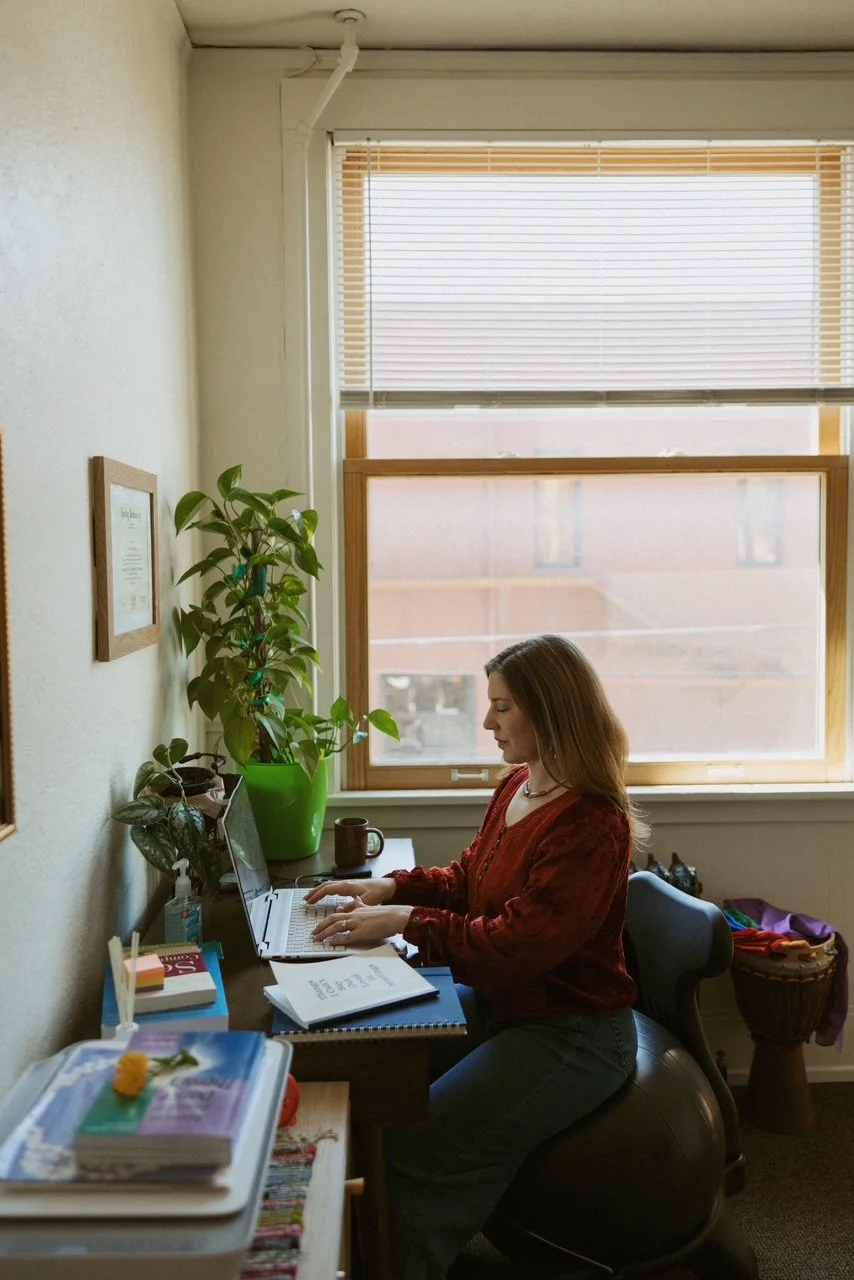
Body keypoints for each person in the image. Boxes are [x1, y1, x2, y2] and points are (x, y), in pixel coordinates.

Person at [306, 633, 649, 1280]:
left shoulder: (590, 825)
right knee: (380, 1064)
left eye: (502, 707)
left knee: (420, 1141)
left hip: (573, 1032)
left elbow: (513, 948)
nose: (487, 722)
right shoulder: (520, 785)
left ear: (549, 712)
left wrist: (407, 921)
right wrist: (388, 886)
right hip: (511, 1005)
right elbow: (470, 880)